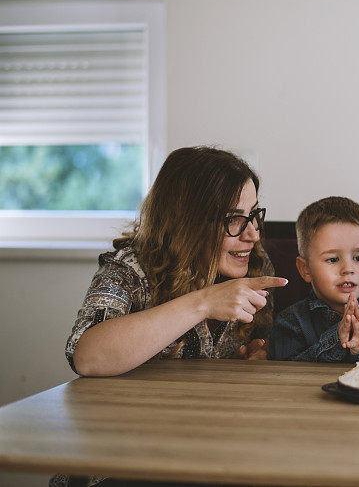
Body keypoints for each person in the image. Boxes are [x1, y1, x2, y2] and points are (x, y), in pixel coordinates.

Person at [66, 146, 288, 378]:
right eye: (233, 219)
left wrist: (258, 356)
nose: (253, 235)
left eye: (252, 215)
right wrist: (204, 303)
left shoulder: (255, 262)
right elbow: (88, 358)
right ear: (186, 225)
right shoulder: (130, 268)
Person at [269, 196, 359, 361]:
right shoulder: (290, 323)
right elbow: (285, 376)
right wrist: (335, 339)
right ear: (306, 269)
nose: (348, 269)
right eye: (333, 259)